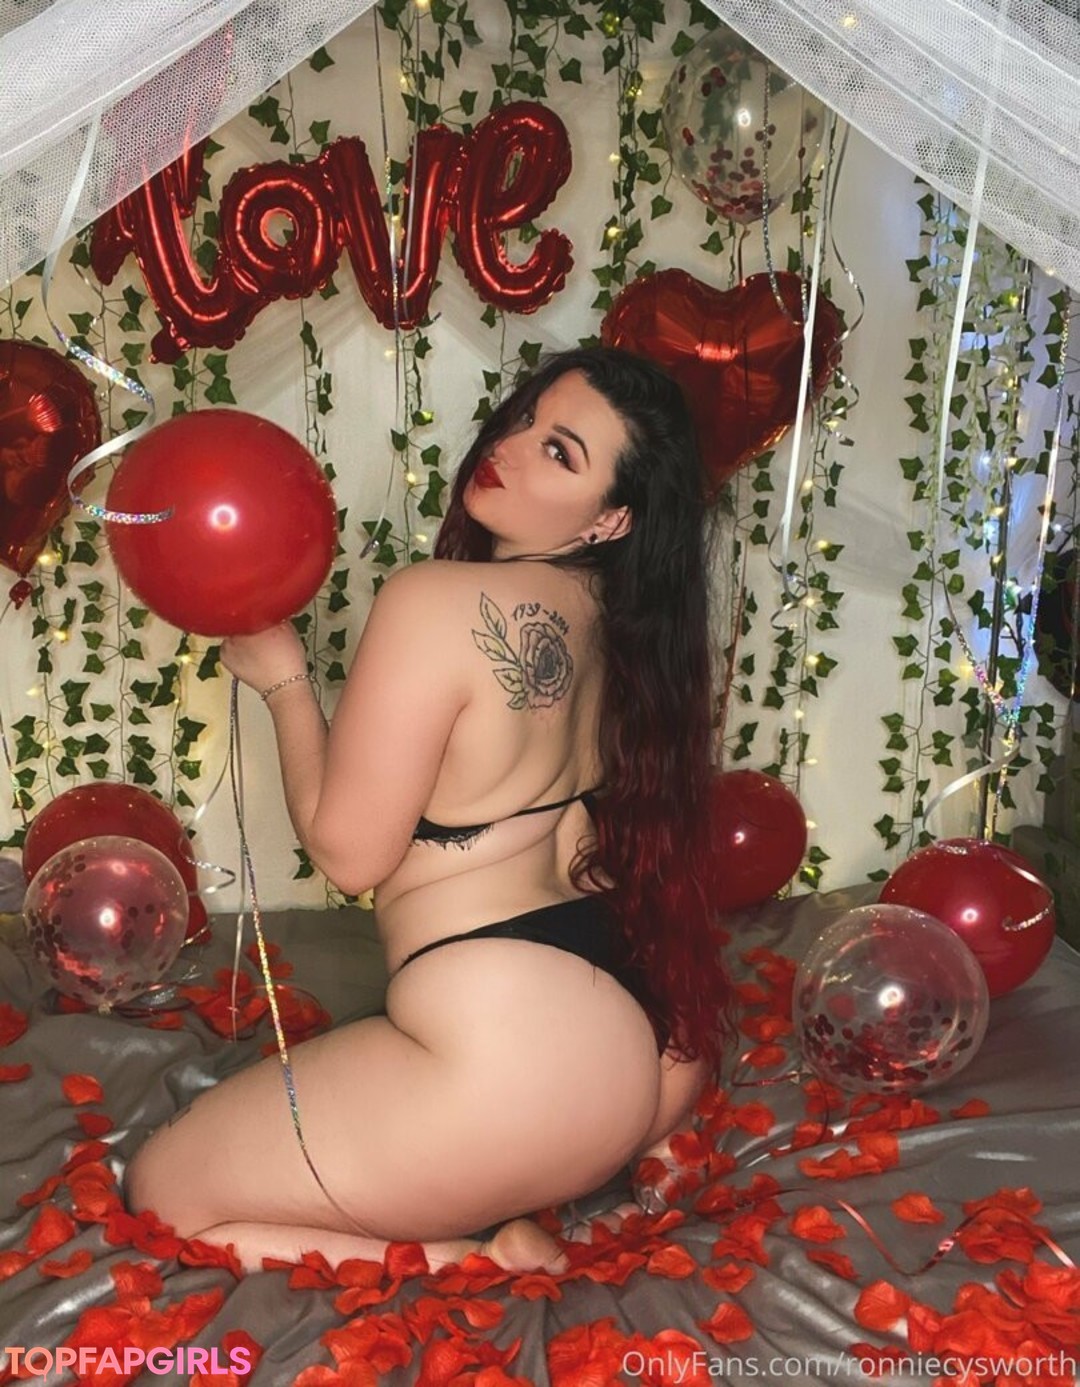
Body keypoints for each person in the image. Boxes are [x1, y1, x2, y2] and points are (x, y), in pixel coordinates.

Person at [124, 345, 732, 1275]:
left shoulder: (434, 600)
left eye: (560, 452)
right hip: (644, 1065)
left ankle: (480, 1259)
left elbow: (351, 853)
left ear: (611, 517)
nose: (509, 446)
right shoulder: (632, 627)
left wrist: (285, 681)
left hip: (513, 1080)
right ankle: (566, 1187)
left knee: (163, 1192)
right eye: (526, 417)